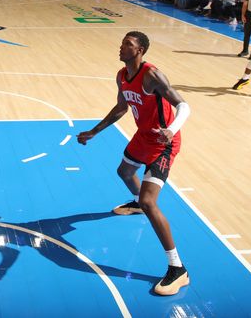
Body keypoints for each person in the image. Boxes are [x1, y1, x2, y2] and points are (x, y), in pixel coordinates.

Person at [77, 31, 191, 296]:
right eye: (122, 43)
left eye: (128, 44)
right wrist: (94, 131)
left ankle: (178, 268)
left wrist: (172, 129)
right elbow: (121, 108)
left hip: (164, 143)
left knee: (151, 202)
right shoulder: (121, 75)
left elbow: (184, 106)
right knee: (125, 171)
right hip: (144, 137)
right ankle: (137, 203)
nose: (121, 47)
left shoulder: (152, 75)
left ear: (140, 50)